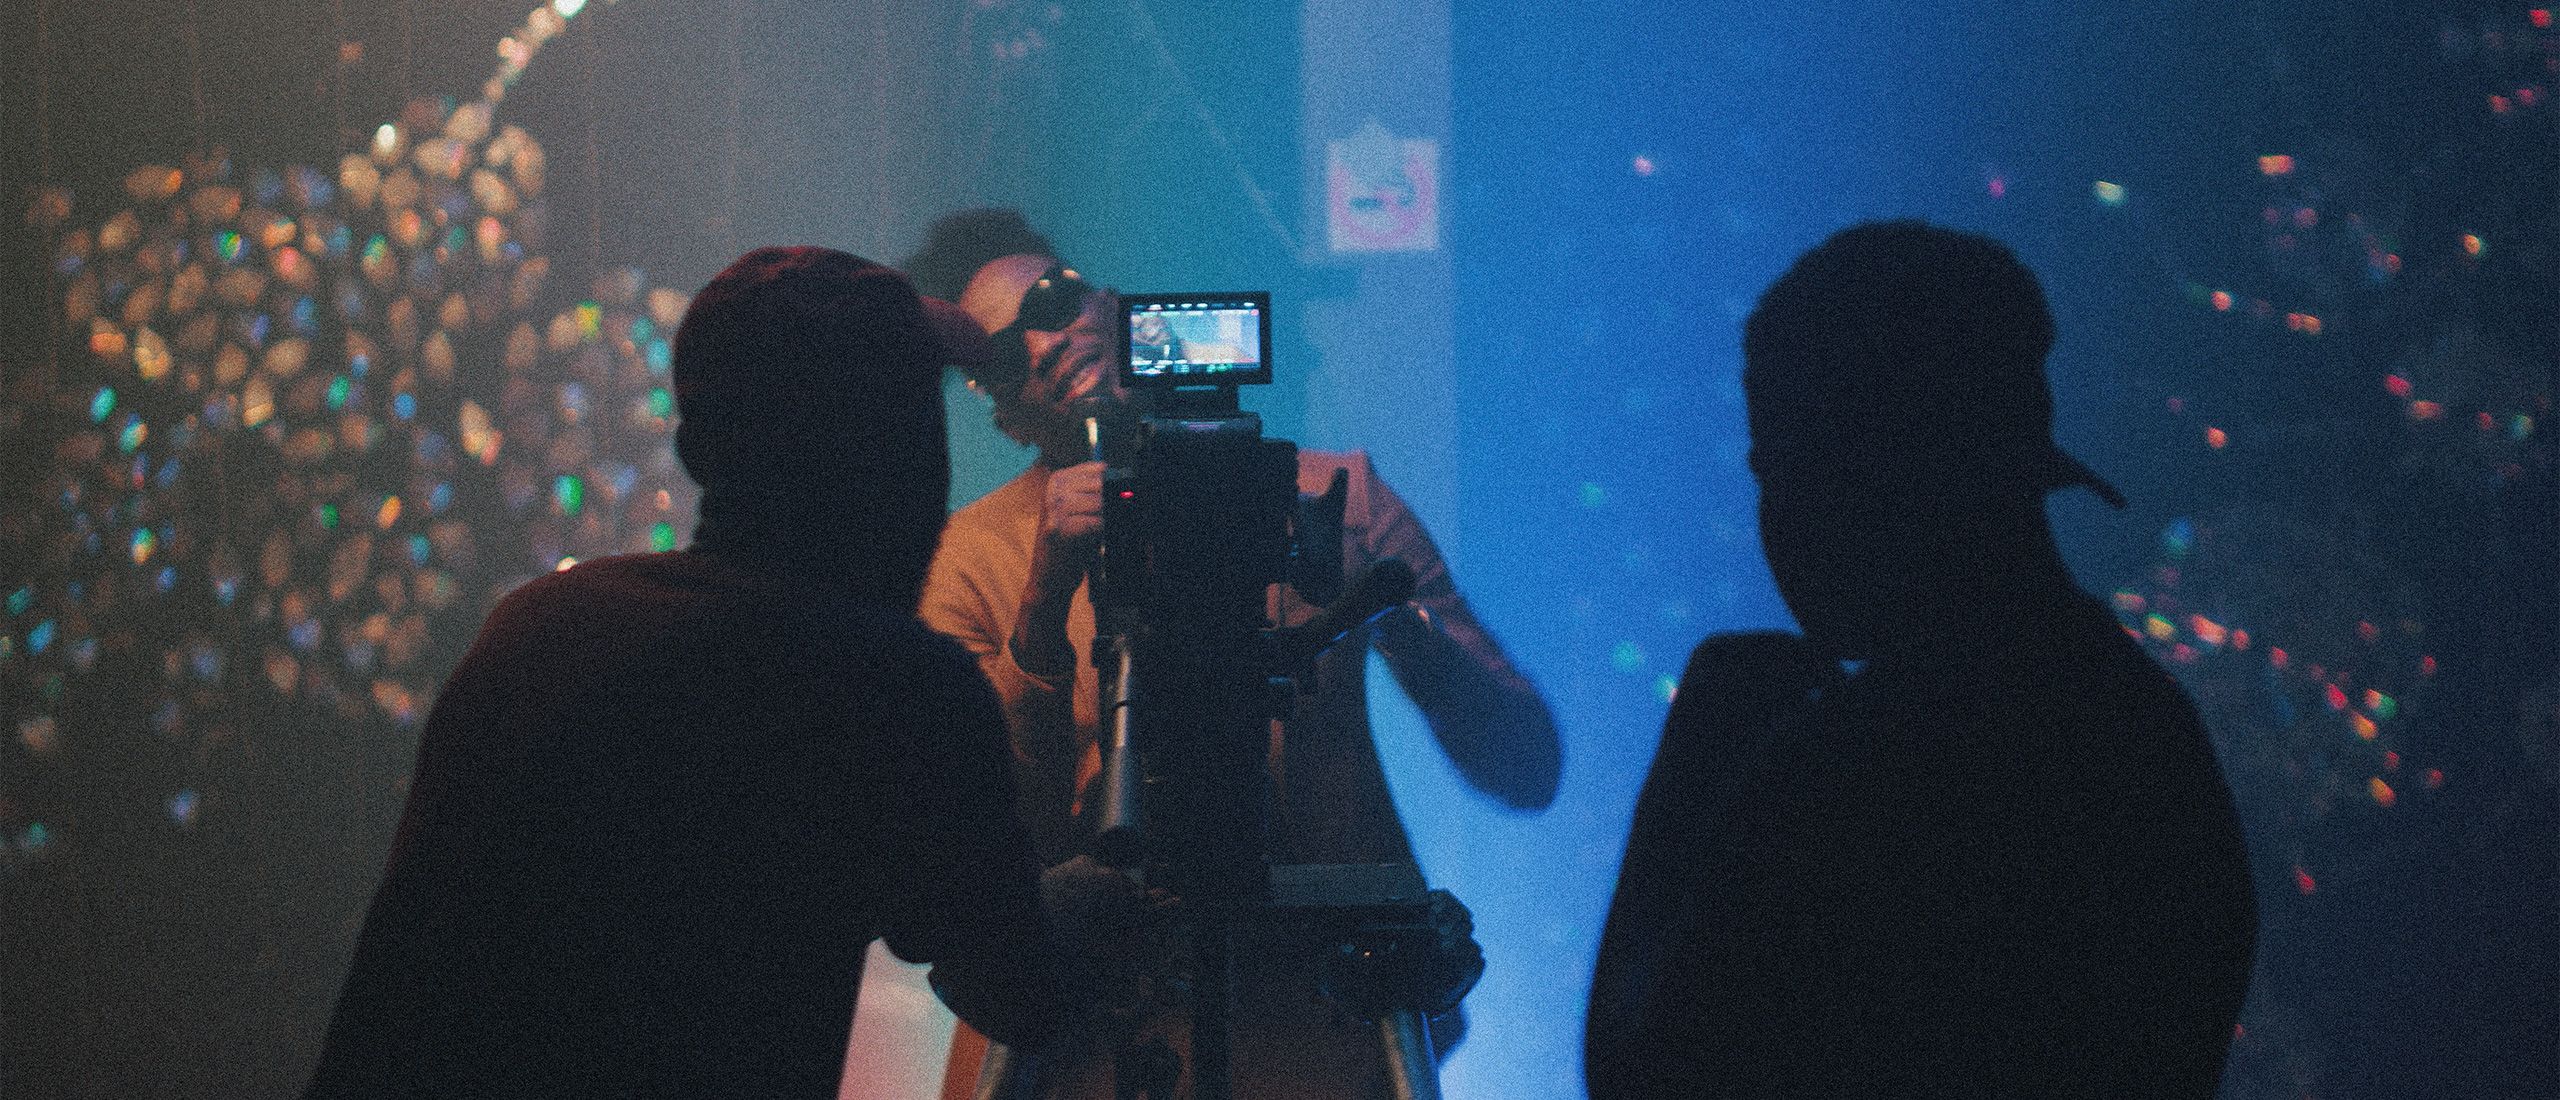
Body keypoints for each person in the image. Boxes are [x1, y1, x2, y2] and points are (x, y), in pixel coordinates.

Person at [301, 247, 1082, 1100]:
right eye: (915, 418)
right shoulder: (901, 693)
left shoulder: (538, 628)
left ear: (694, 451)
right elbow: (1022, 992)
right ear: (908, 454)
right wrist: (1104, 894)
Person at [1586, 222, 2258, 1099]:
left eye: (1782, 468)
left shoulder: (1875, 759)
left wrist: (1699, 763)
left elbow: (1645, 1077)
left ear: (1868, 472)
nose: (1777, 519)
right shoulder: (2141, 727)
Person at [920, 247, 1561, 1097]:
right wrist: (1046, 597)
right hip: (1091, 1042)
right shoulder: (971, 559)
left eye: (1051, 301)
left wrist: (1392, 614)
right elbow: (970, 839)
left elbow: (1524, 762)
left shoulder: (1333, 498)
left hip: (1320, 1027)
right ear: (1001, 413)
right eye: (1004, 354)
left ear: (1114, 305)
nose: (1043, 346)